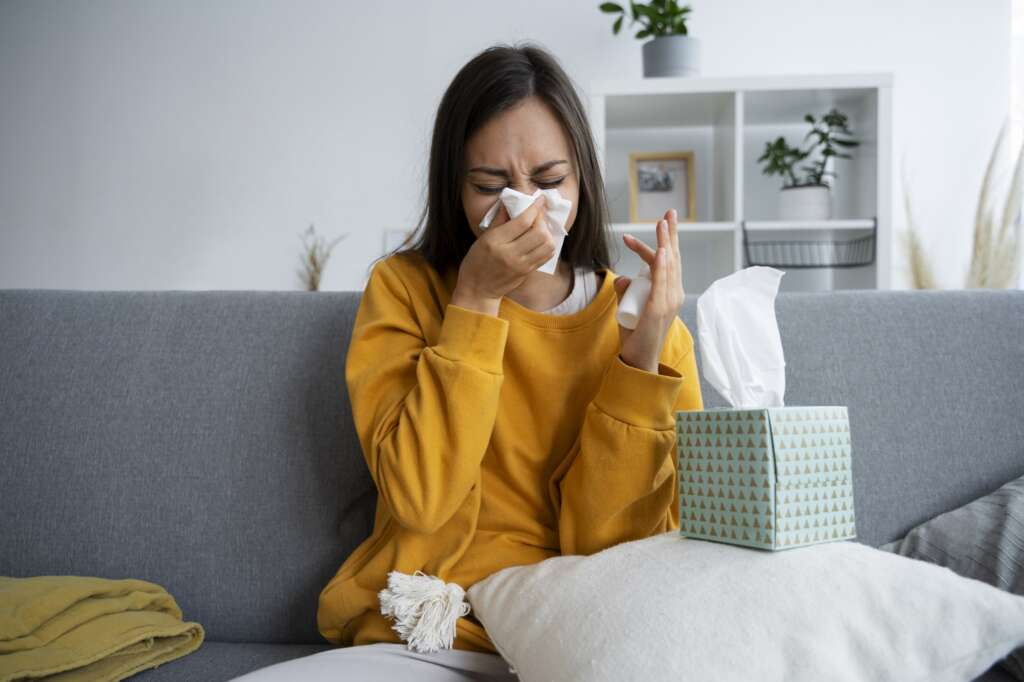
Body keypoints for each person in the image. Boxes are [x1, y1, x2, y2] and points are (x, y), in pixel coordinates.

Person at [230, 41, 703, 682]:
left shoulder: (646, 325)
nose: (524, 207)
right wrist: (475, 301)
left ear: (584, 179)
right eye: (490, 186)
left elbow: (612, 554)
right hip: (427, 622)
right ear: (454, 186)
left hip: (573, 631)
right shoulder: (404, 291)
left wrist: (639, 363)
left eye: (549, 180)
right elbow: (421, 501)